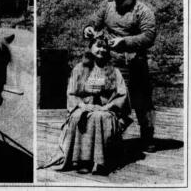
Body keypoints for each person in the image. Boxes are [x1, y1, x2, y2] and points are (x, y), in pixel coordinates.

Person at [83, 0, 156, 152]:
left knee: (142, 101)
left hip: (134, 62)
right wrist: (88, 29)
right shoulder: (107, 6)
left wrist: (125, 42)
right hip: (109, 62)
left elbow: (149, 36)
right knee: (109, 99)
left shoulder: (142, 11)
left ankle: (147, 138)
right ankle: (111, 137)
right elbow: (94, 22)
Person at [42, 36, 131, 174]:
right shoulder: (79, 69)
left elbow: (122, 95)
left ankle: (101, 161)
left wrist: (107, 107)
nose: (101, 49)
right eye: (98, 46)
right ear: (90, 48)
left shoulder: (114, 71)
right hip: (84, 106)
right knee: (79, 116)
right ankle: (83, 160)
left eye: (105, 47)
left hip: (106, 108)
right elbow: (71, 93)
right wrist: (82, 105)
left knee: (99, 117)